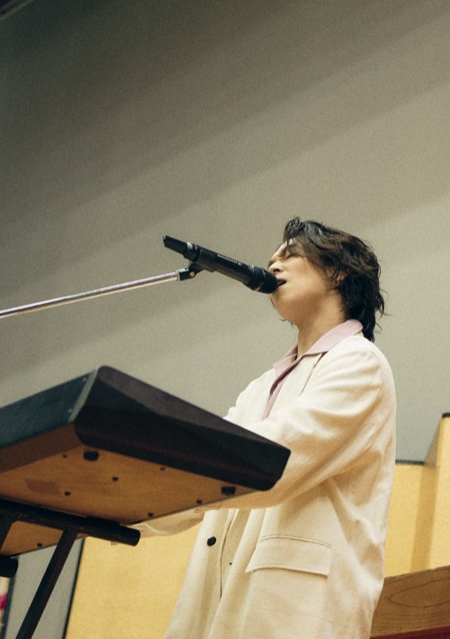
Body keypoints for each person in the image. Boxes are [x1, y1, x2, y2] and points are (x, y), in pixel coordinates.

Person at [146, 217, 396, 638]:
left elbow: (270, 460)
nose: (272, 262)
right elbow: (198, 480)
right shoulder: (260, 387)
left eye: (290, 253)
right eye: (273, 256)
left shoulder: (361, 364)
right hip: (218, 608)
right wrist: (115, 502)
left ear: (338, 272)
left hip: (296, 614)